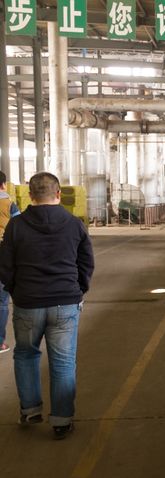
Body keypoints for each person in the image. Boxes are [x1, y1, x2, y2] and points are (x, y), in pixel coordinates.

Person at [0, 172, 94, 440]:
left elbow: (5, 266)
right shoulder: (74, 224)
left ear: (31, 195)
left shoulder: (17, 226)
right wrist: (78, 290)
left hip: (28, 303)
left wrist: (17, 290)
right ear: (59, 194)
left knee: (26, 355)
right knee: (63, 362)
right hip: (65, 303)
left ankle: (30, 410)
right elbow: (86, 262)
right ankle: (62, 420)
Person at [0, 171, 21, 353]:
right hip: (3, 253)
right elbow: (19, 230)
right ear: (3, 185)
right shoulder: (9, 204)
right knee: (1, 301)